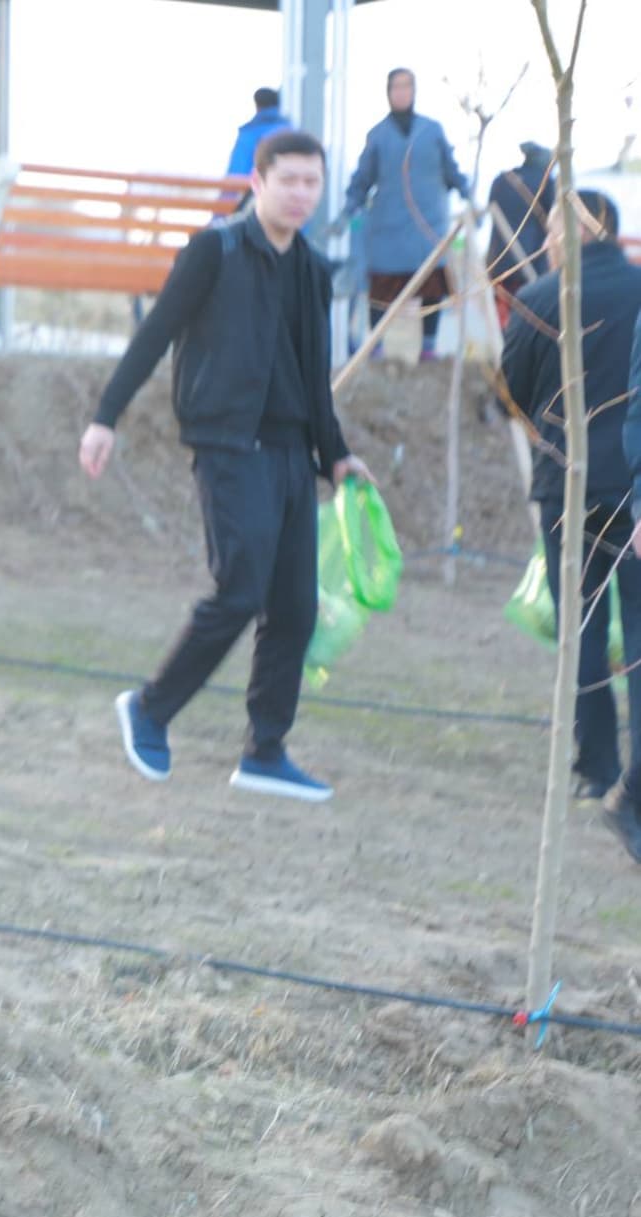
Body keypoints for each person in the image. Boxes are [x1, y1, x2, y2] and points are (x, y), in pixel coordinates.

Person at [81, 130, 371, 803]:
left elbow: (312, 377)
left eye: (312, 182)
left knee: (294, 610)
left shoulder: (312, 270)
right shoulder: (214, 250)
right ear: (257, 183)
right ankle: (150, 710)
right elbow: (154, 335)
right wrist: (105, 418)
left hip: (292, 457)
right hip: (228, 448)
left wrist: (336, 457)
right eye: (289, 179)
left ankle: (264, 751)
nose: (301, 193)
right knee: (240, 590)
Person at [501, 193, 641, 812]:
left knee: (579, 628)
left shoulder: (538, 301)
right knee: (638, 630)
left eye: (553, 229)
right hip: (635, 489)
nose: (546, 242)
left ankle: (596, 764)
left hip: (571, 484)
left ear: (576, 232)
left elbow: (519, 392)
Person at [341, 68, 470, 362]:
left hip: (428, 224)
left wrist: (465, 191)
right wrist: (349, 206)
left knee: (431, 282)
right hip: (388, 225)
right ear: (388, 92)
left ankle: (428, 346)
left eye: (406, 87)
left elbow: (452, 170)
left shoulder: (432, 130)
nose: (401, 93)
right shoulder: (377, 136)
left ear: (414, 91)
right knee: (383, 286)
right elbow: (362, 179)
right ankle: (376, 347)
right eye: (395, 87)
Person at [485, 142, 555, 329]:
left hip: (498, 261)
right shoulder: (547, 182)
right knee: (530, 318)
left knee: (503, 317)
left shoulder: (502, 179)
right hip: (531, 260)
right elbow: (555, 221)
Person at [226, 88, 293, 180]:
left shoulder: (249, 133)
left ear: (257, 106)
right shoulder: (292, 132)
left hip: (254, 191)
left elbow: (237, 171)